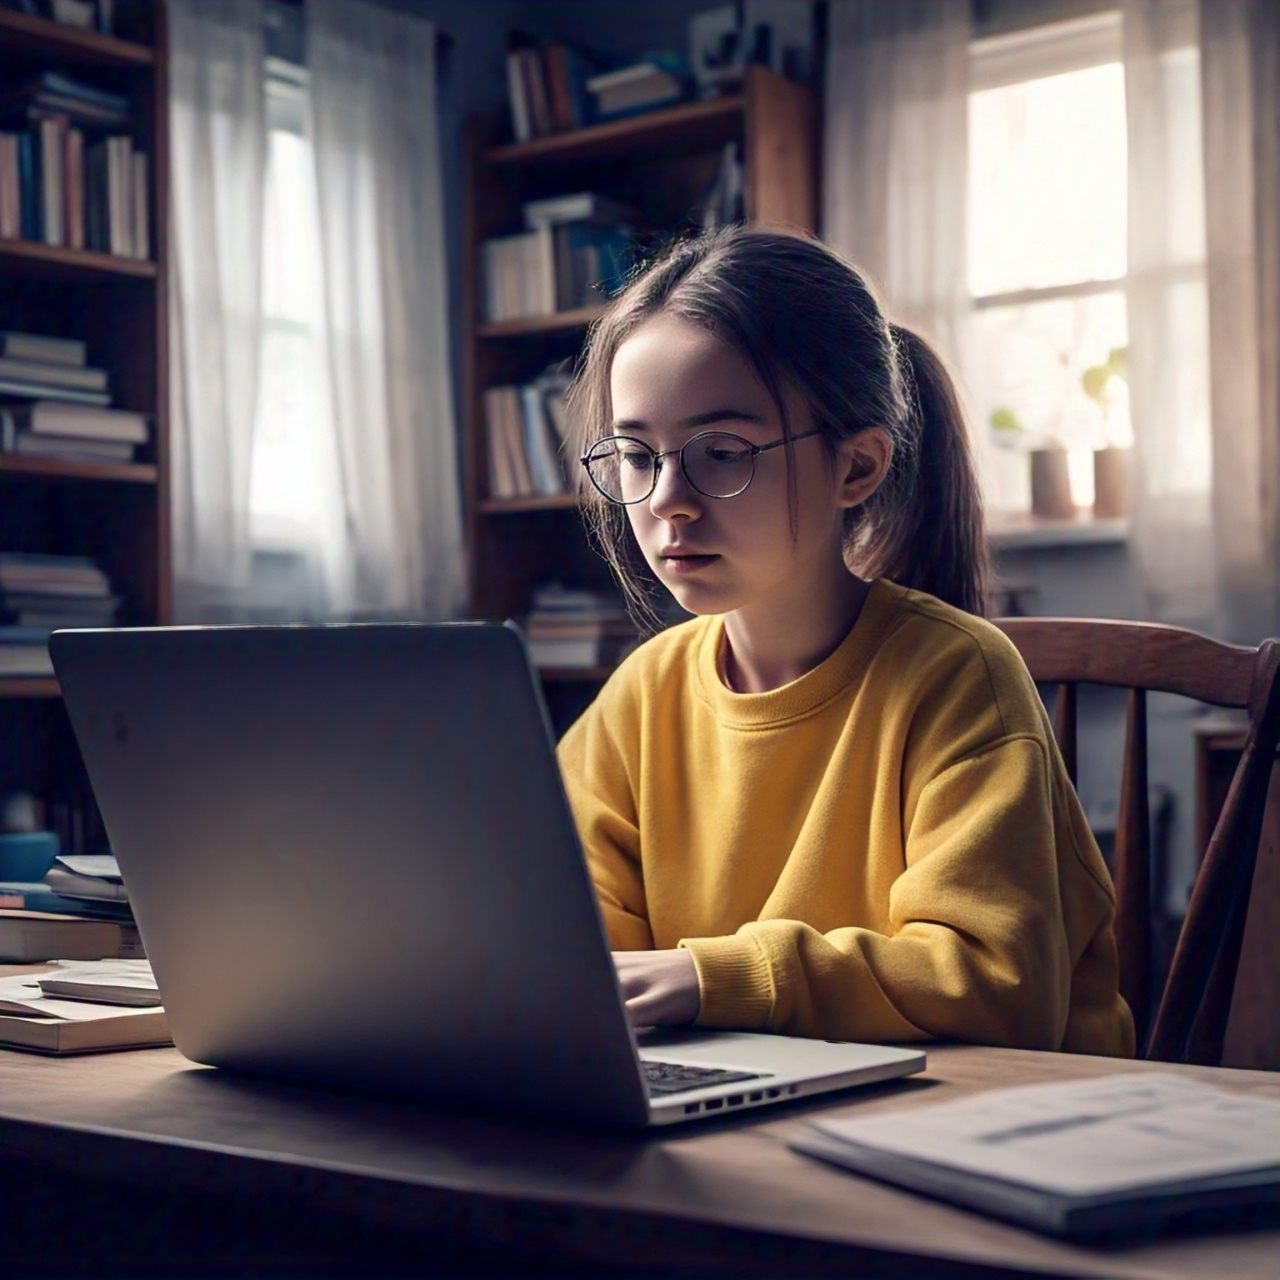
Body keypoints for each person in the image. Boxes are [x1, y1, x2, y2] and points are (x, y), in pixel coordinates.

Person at [556, 227, 1134, 1057]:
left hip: (992, 1126)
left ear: (856, 468)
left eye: (722, 453)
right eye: (638, 455)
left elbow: (992, 983)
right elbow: (576, 948)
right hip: (764, 1110)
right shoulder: (642, 694)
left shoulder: (954, 675)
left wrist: (715, 978)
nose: (668, 500)